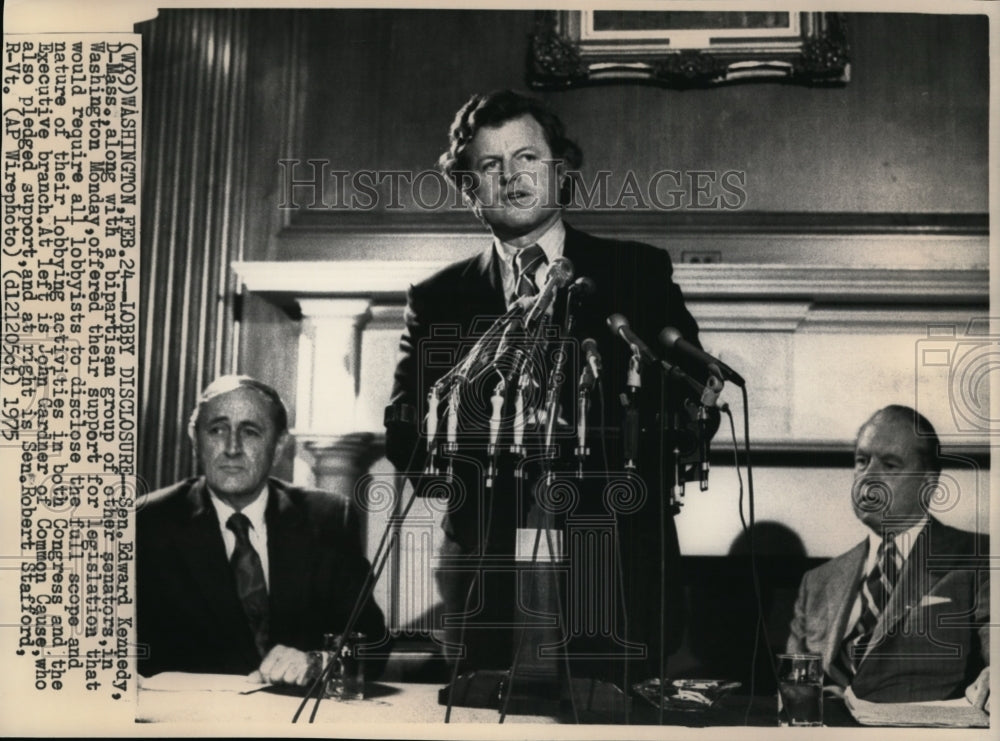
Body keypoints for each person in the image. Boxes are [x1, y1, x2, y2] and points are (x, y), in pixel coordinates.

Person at [385, 90, 712, 679]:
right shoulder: (438, 299)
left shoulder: (636, 273)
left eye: (528, 157)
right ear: (468, 189)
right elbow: (404, 432)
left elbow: (690, 402)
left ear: (560, 170)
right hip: (490, 585)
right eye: (490, 165)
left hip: (613, 574)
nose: (512, 177)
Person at [137, 375, 387, 685]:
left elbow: (373, 645)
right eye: (217, 430)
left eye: (250, 432)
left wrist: (318, 662)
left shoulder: (328, 519)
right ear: (195, 439)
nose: (232, 448)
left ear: (279, 445)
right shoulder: (147, 522)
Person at [787, 405, 989, 706]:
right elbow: (791, 686)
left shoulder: (980, 557)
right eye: (862, 461)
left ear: (928, 484)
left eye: (890, 465)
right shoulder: (816, 582)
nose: (868, 476)